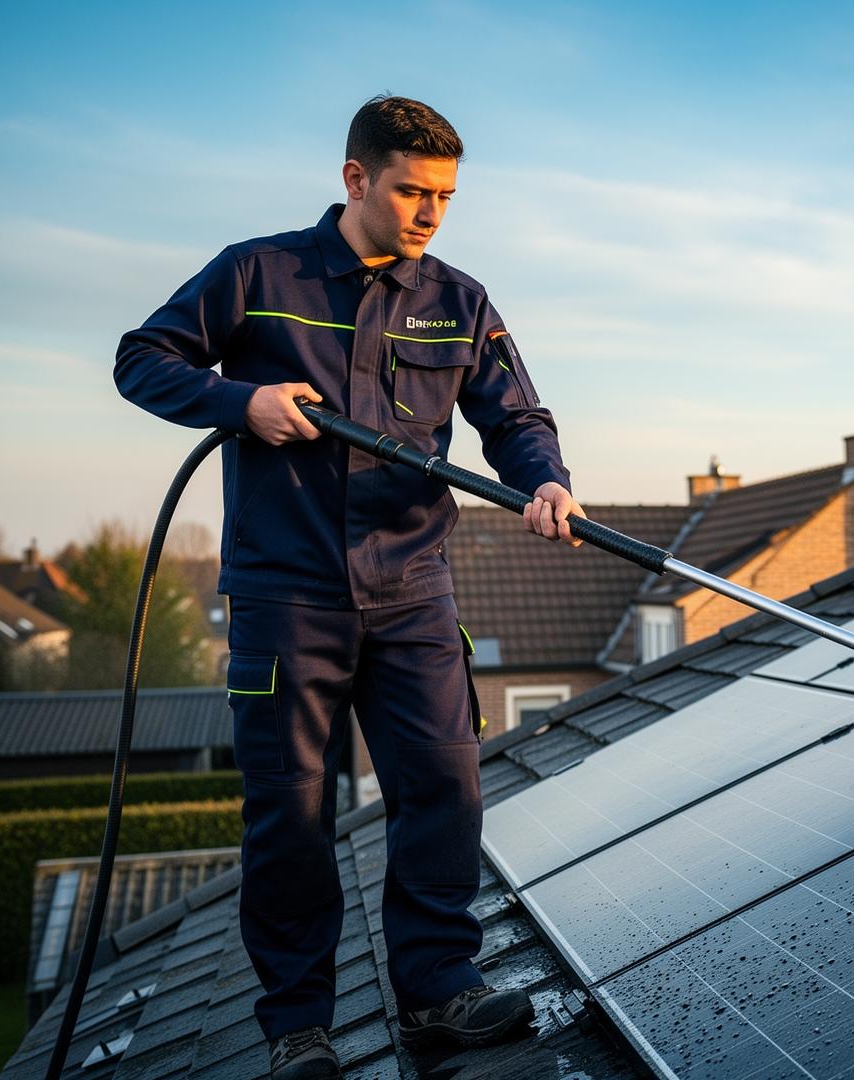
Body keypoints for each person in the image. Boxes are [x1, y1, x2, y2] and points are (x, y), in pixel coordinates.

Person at [114, 95, 582, 1080]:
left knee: (445, 789)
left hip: (413, 591)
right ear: (355, 178)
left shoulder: (460, 300)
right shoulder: (258, 273)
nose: (429, 213)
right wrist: (242, 401)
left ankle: (437, 993)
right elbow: (141, 360)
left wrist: (543, 477)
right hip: (289, 599)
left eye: (445, 196)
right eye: (411, 190)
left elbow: (515, 414)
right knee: (290, 810)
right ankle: (299, 1026)